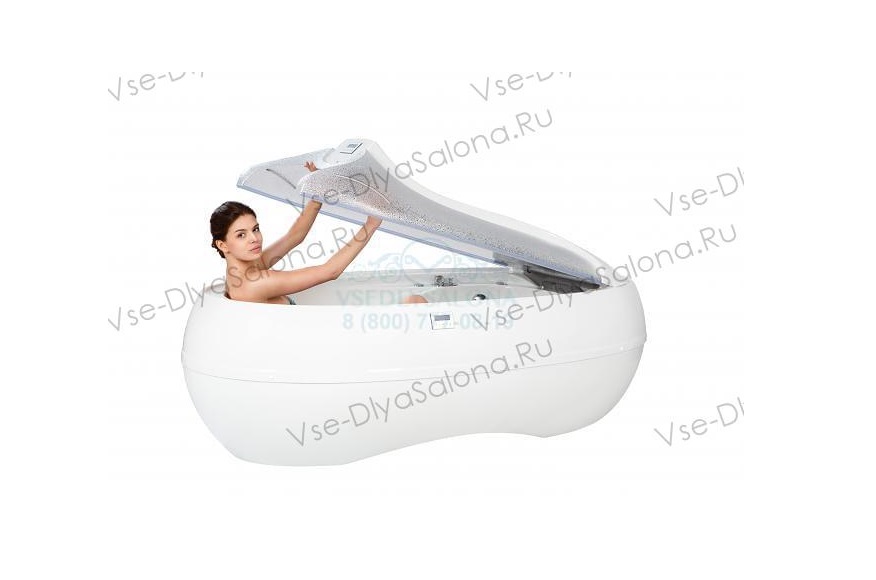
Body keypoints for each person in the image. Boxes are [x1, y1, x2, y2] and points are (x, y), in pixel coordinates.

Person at [210, 162, 428, 305]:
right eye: (241, 235)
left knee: (414, 302)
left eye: (255, 229)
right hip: (318, 344)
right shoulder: (254, 282)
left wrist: (317, 193)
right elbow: (330, 271)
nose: (254, 238)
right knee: (416, 303)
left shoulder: (241, 273)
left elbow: (295, 236)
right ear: (222, 244)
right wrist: (371, 224)